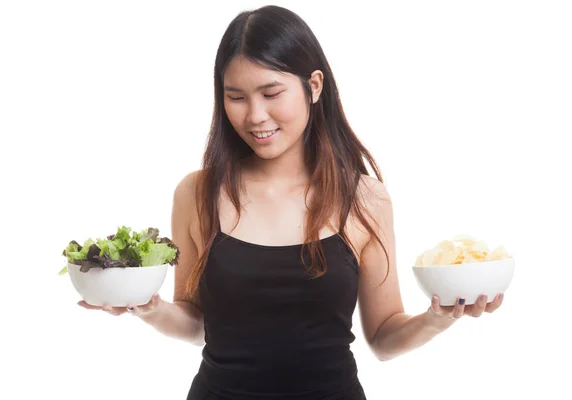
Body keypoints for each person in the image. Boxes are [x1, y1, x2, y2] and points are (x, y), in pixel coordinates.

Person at [79, 5, 505, 399]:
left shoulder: (364, 197)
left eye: (271, 92)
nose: (255, 116)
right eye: (237, 97)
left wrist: (441, 315)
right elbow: (198, 324)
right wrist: (146, 306)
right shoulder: (196, 193)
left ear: (313, 86)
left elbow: (384, 338)